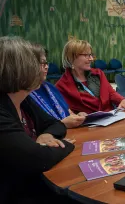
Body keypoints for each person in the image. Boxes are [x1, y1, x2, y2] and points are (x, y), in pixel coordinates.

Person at [0, 37, 76, 203]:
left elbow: (56, 124)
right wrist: (68, 145)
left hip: (29, 183)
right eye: (37, 63)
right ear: (19, 70)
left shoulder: (23, 100)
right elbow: (37, 158)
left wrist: (47, 135)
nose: (44, 68)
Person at [56, 39, 125, 114]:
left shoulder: (98, 74)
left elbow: (111, 93)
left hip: (109, 118)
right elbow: (65, 113)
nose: (91, 59)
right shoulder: (62, 86)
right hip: (86, 126)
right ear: (72, 58)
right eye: (86, 55)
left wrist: (122, 100)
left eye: (91, 55)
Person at [29, 44, 87, 128]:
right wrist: (62, 124)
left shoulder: (49, 87)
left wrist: (78, 117)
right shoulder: (24, 95)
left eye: (46, 63)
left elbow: (69, 113)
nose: (47, 67)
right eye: (42, 63)